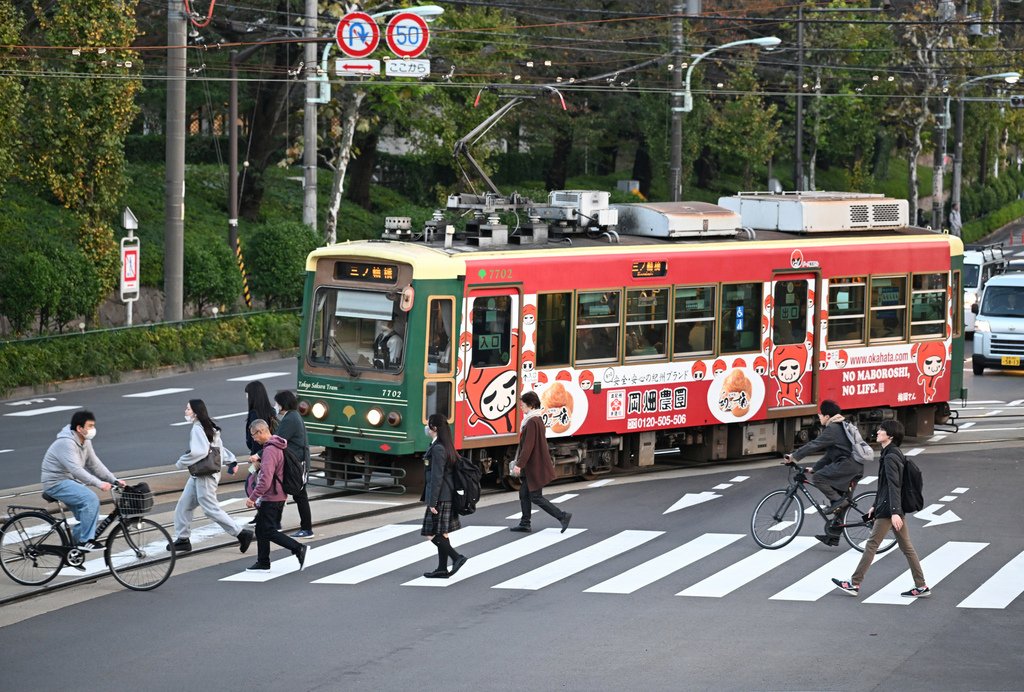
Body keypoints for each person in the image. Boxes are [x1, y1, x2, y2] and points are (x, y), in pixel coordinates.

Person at [832, 419, 931, 598]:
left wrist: (894, 512)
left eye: (882, 430)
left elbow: (894, 485)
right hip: (889, 507)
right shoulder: (890, 453)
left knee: (872, 544)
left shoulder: (891, 456)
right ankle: (921, 585)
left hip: (890, 509)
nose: (878, 432)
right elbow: (885, 485)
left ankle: (854, 583)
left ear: (890, 436)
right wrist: (874, 505)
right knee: (907, 547)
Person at [168, 399, 253, 554]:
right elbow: (217, 448)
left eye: (187, 409)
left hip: (205, 476)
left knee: (211, 509)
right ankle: (183, 539)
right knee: (184, 504)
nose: (185, 411)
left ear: (195, 412)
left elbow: (199, 452)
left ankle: (241, 533)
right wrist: (231, 461)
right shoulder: (207, 426)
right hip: (199, 475)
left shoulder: (198, 429)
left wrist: (181, 462)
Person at [40, 411, 124, 552]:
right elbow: (76, 470)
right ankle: (85, 541)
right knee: (90, 499)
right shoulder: (66, 443)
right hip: (55, 483)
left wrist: (113, 480)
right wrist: (99, 484)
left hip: (69, 481)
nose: (93, 429)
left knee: (89, 514)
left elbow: (94, 464)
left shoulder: (85, 441)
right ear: (79, 428)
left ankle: (73, 547)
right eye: (90, 426)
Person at [784, 399, 863, 547]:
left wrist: (793, 456)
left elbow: (814, 444)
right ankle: (833, 535)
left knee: (819, 479)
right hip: (854, 468)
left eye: (820, 414)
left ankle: (838, 502)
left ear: (827, 416)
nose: (819, 417)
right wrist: (814, 468)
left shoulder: (833, 428)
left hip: (847, 466)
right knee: (842, 502)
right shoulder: (842, 426)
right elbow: (829, 455)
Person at [244, 419, 308, 572]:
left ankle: (298, 548)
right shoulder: (275, 446)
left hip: (272, 496)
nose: (253, 438)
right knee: (261, 529)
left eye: (253, 435)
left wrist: (252, 497)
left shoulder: (270, 450)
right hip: (277, 495)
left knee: (268, 530)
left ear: (261, 431)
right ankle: (263, 562)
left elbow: (266, 480)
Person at [510, 391, 572, 534]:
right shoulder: (535, 419)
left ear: (531, 405)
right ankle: (525, 523)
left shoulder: (532, 422)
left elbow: (528, 446)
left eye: (523, 405)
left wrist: (519, 464)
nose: (521, 407)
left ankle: (562, 516)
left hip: (534, 466)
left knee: (535, 496)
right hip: (533, 466)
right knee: (524, 494)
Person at [420, 414, 468, 578]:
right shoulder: (443, 445)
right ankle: (442, 568)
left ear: (434, 428)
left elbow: (437, 477)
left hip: (441, 496)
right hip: (445, 495)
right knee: (443, 533)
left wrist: (433, 502)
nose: (426, 427)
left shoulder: (439, 448)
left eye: (428, 424)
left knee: (430, 533)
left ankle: (457, 557)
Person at [271, 389, 314, 539]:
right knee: (284, 491)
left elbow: (277, 441)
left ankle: (307, 529)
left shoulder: (290, 419)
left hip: (296, 462)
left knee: (299, 495)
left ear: (283, 404)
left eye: (277, 403)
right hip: (296, 461)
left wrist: (258, 455)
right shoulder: (293, 416)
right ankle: (276, 523)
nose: (275, 405)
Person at [240, 381, 278, 522]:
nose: (246, 396)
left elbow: (254, 439)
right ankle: (262, 515)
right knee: (265, 484)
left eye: (247, 394)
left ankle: (264, 514)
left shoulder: (254, 413)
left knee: (250, 482)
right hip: (270, 453)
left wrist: (256, 455)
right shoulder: (271, 411)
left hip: (258, 456)